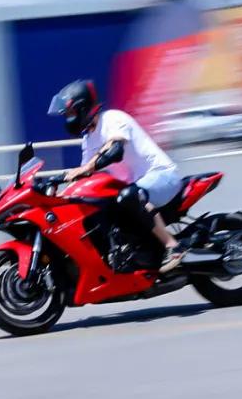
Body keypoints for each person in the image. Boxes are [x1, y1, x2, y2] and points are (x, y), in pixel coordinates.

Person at [48, 79, 186, 273]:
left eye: (70, 113)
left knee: (129, 196)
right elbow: (84, 173)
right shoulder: (88, 139)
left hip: (162, 175)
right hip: (136, 185)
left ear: (82, 108)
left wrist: (88, 167)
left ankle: (172, 246)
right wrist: (58, 187)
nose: (68, 119)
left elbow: (115, 150)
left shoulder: (112, 119)